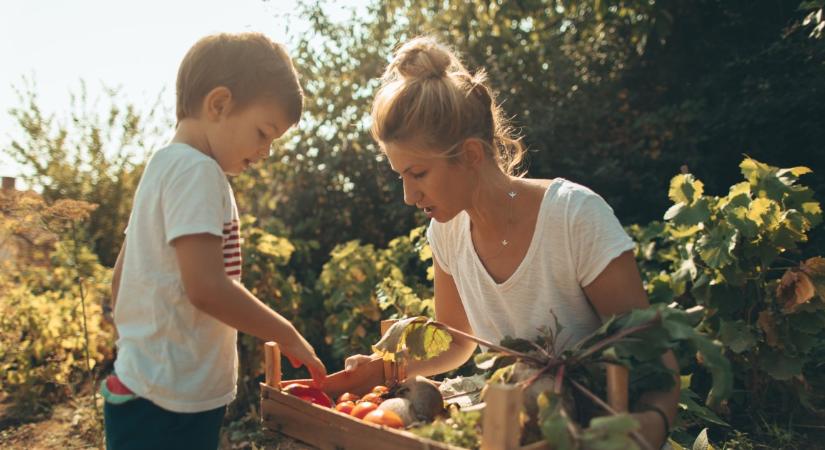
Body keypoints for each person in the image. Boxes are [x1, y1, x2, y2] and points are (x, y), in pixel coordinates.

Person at [341, 36, 679, 448]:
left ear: (469, 155)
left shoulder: (574, 217)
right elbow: (457, 342)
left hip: (593, 432)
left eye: (418, 174)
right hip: (515, 428)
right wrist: (382, 369)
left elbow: (655, 358)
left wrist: (650, 426)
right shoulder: (446, 231)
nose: (408, 197)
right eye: (400, 176)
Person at [102, 32, 327, 450]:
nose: (265, 151)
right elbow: (206, 286)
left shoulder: (163, 166)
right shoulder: (198, 172)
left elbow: (121, 277)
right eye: (263, 133)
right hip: (168, 404)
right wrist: (286, 331)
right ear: (219, 104)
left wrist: (141, 352)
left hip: (142, 388)